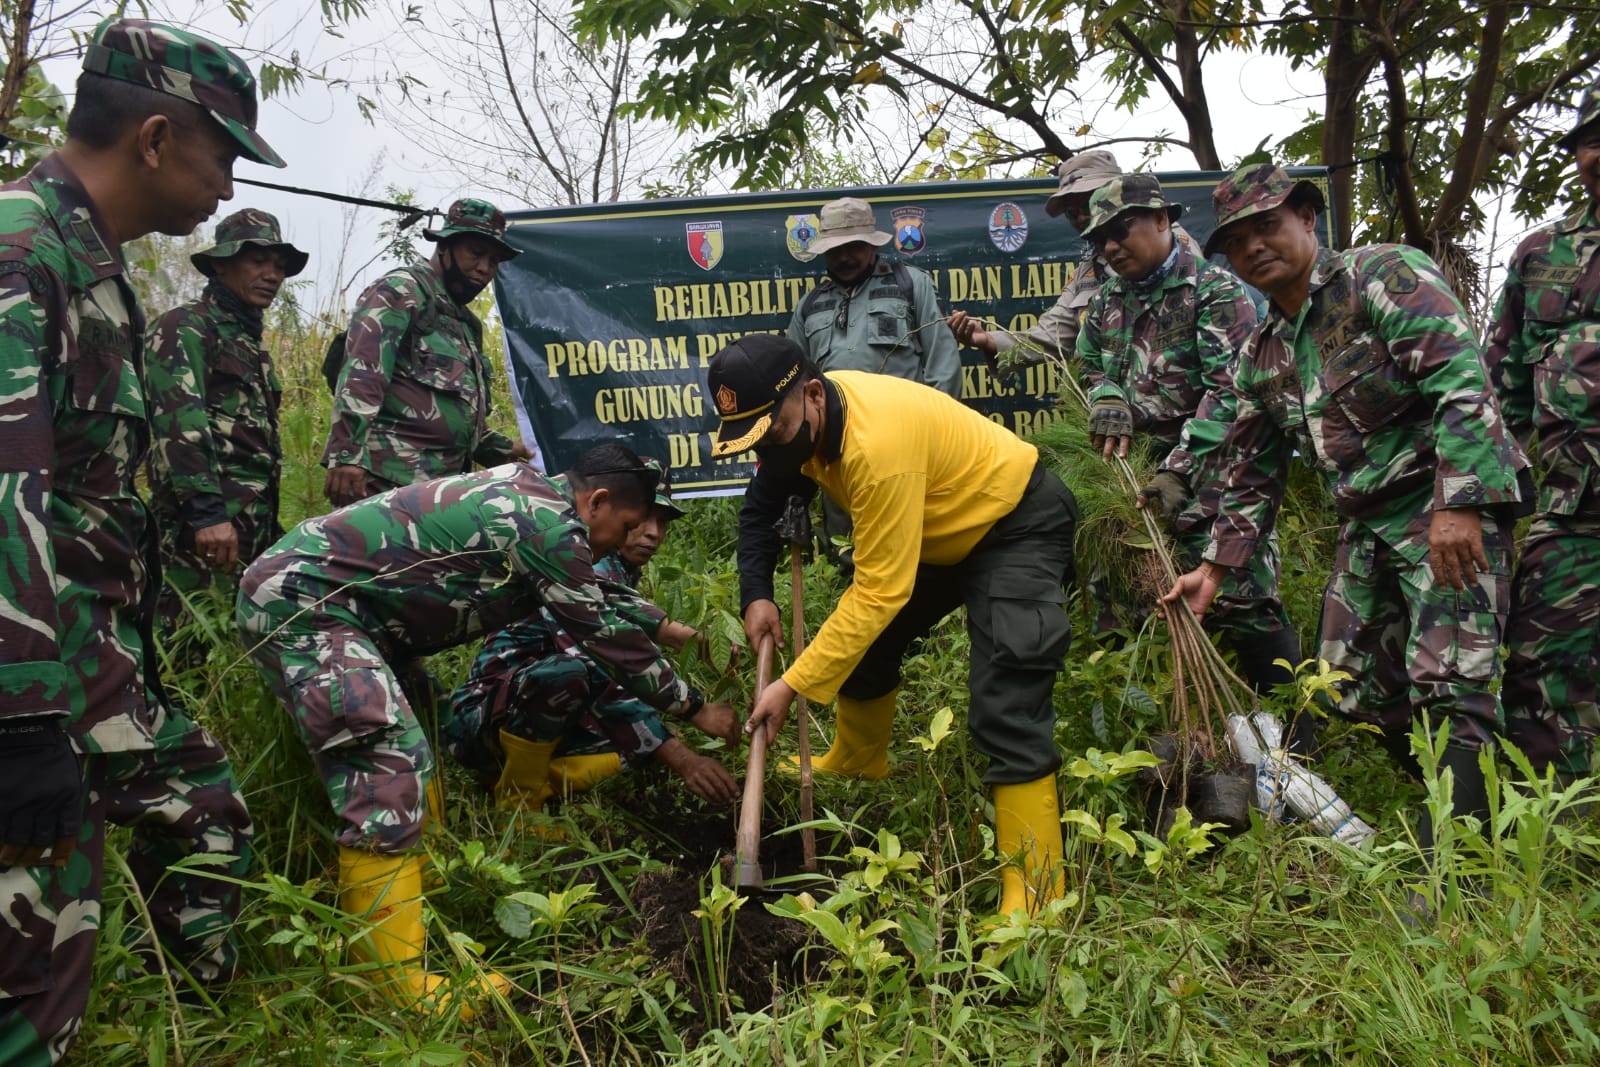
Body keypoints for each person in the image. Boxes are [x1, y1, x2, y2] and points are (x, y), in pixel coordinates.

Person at [0, 18, 274, 1062]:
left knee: (203, 803)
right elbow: (3, 496)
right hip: (24, 682)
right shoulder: (22, 255)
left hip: (83, 656)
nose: (230, 179)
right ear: (156, 138)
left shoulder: (94, 265)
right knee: (31, 969)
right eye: (227, 149)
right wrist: (21, 728)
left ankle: (206, 1014)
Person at [238, 444, 739, 1013]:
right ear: (596, 501)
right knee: (385, 759)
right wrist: (695, 707)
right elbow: (600, 630)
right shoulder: (544, 522)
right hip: (305, 603)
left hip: (357, 611)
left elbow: (593, 590)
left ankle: (419, 886)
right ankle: (397, 988)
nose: (618, 543)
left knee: (416, 733)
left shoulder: (539, 505)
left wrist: (678, 631)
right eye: (624, 525)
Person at [1162, 164, 1525, 856]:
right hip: (1367, 524)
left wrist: (1464, 502)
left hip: (1440, 505)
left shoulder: (1382, 277)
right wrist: (1215, 568)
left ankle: (1455, 862)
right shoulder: (1262, 353)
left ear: (1307, 217)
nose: (1254, 248)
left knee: (1453, 680)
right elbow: (1250, 471)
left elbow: (1461, 379)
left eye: (1267, 226)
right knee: (1344, 683)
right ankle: (1451, 794)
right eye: (1236, 242)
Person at [711, 334, 1079, 917]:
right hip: (936, 532)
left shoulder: (874, 446)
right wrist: (757, 595)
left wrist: (793, 684)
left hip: (1013, 522)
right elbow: (761, 509)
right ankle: (859, 758)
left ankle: (1037, 894)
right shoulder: (801, 426)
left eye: (774, 435)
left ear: (812, 395)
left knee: (1009, 685)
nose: (771, 454)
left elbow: (882, 591)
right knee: (861, 643)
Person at [1071, 174, 1303, 714]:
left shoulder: (1215, 292)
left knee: (1244, 603)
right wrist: (1104, 392)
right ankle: (1165, 743)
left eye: (1120, 230)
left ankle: (1295, 745)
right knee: (1125, 605)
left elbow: (1232, 391)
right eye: (1099, 239)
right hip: (1130, 486)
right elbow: (1087, 364)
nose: (1109, 247)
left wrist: (1177, 469)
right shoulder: (1105, 302)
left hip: (1213, 480)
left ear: (1161, 220)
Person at [446, 458, 738, 808]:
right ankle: (518, 804)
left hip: (537, 710)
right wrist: (685, 756)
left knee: (641, 745)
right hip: (484, 719)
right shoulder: (575, 557)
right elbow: (601, 664)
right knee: (575, 680)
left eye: (662, 522)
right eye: (643, 518)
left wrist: (685, 639)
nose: (653, 533)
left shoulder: (615, 566)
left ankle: (549, 779)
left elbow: (634, 626)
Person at [1490, 75, 1600, 783]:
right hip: (1573, 511)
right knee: (1542, 666)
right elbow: (1498, 391)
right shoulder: (1542, 255)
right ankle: (1563, 829)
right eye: (1591, 141)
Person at [146, 208, 307, 630]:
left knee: (237, 641)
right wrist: (207, 514)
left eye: (279, 265)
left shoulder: (250, 343)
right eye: (257, 261)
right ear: (221, 263)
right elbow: (178, 425)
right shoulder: (186, 327)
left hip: (249, 528)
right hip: (201, 533)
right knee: (187, 640)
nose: (272, 275)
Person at [787, 196, 963, 572]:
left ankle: (923, 623)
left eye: (854, 247)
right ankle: (858, 619)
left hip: (905, 444)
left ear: (872, 245)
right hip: (838, 451)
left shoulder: (910, 285)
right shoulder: (810, 305)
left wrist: (936, 438)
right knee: (849, 551)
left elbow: (942, 361)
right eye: (835, 249)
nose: (844, 257)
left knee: (916, 545)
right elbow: (792, 385)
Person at [322, 197, 529, 507]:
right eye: (476, 253)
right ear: (444, 247)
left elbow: (457, 418)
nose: (484, 268)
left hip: (439, 492)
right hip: (385, 485)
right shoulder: (400, 292)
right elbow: (362, 375)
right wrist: (346, 455)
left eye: (494, 261)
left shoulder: (464, 324)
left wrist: (507, 451)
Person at [946, 150, 1121, 376]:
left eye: (1088, 205)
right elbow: (1052, 334)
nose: (1081, 218)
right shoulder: (1088, 271)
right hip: (1105, 404)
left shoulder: (1170, 249)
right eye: (1071, 212)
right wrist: (988, 340)